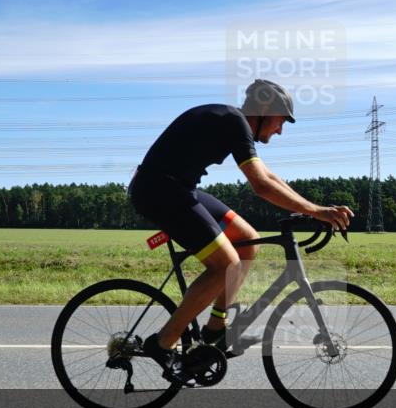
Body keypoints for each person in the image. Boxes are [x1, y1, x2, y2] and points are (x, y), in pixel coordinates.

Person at [128, 79, 354, 383]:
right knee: (226, 264)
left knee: (247, 240)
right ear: (263, 110)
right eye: (280, 121)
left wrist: (309, 208)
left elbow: (269, 176)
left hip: (178, 188)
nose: (280, 130)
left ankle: (215, 330)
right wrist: (317, 211)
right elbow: (260, 186)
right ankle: (162, 343)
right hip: (158, 191)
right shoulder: (234, 121)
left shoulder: (235, 124)